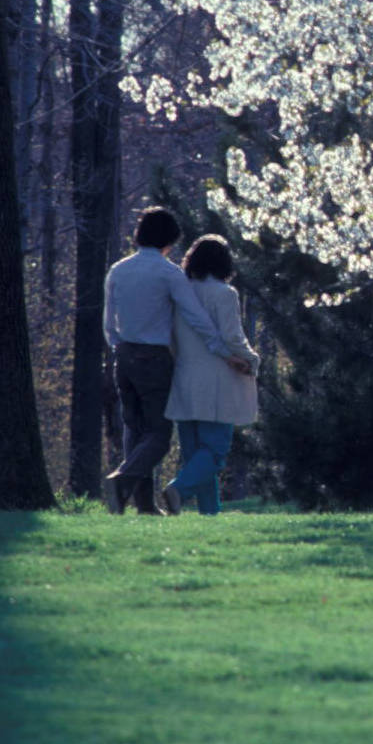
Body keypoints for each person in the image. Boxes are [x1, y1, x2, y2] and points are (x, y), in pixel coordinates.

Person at [102, 208, 253, 515]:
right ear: (169, 240)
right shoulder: (169, 274)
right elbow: (197, 319)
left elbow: (109, 322)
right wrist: (228, 354)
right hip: (155, 359)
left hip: (124, 355)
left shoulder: (118, 270)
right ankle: (126, 481)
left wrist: (119, 347)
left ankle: (146, 504)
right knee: (160, 436)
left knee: (136, 431)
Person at [158, 234, 262, 516]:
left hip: (184, 376)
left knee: (195, 455)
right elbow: (232, 336)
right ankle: (178, 489)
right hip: (218, 377)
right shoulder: (225, 294)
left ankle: (209, 513)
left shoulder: (180, 294)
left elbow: (172, 339)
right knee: (214, 452)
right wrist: (251, 359)